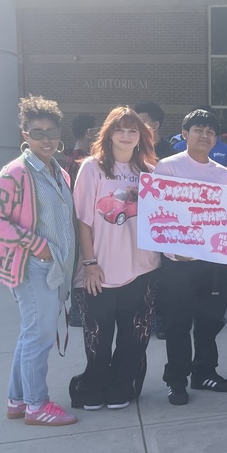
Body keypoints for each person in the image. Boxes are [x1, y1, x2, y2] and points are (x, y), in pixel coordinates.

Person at [0, 95, 78, 426]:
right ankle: (37, 405)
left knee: (31, 333)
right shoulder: (16, 172)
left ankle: (17, 400)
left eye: (51, 131)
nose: (46, 138)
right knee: (40, 336)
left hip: (51, 267)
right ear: (25, 134)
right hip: (31, 268)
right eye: (37, 132)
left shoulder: (57, 170)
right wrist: (36, 244)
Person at [70, 106, 160, 410]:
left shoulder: (149, 171)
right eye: (120, 129)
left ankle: (122, 386)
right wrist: (90, 264)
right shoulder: (92, 168)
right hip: (101, 271)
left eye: (132, 130)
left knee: (134, 337)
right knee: (98, 336)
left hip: (143, 268)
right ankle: (93, 388)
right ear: (109, 134)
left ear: (141, 136)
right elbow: (83, 221)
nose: (126, 135)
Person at [154, 109, 227, 406]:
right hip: (179, 263)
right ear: (184, 134)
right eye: (198, 129)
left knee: (211, 319)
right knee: (178, 323)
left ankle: (204, 372)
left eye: (210, 132)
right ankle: (176, 380)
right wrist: (173, 248)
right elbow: (157, 214)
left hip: (213, 261)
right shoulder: (168, 167)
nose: (205, 135)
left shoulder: (221, 172)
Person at [65, 113, 96, 184]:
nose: (97, 134)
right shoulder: (80, 160)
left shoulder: (70, 157)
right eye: (95, 130)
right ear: (88, 133)